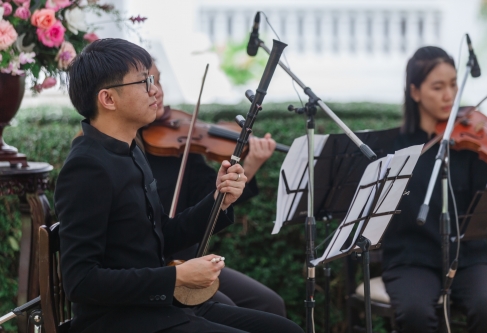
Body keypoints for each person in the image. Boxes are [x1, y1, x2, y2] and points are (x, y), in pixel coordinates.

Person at [54, 38, 304, 333]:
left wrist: (218, 200)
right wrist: (177, 277)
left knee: (286, 329)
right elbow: (81, 281)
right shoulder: (86, 167)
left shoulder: (131, 151)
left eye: (153, 80)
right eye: (144, 82)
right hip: (120, 321)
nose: (155, 90)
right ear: (108, 99)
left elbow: (164, 234)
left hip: (157, 309)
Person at [136, 62, 287, 316]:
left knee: (270, 303)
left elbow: (214, 199)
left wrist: (248, 166)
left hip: (189, 259)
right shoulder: (124, 156)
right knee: (228, 309)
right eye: (147, 82)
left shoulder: (181, 147)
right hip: (158, 270)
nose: (157, 91)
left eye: (158, 81)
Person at [381, 46, 487, 333]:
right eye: (438, 87)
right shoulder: (397, 149)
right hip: (413, 257)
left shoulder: (471, 142)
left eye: (453, 84)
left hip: (468, 255)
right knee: (414, 314)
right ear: (415, 92)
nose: (449, 95)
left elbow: (485, 201)